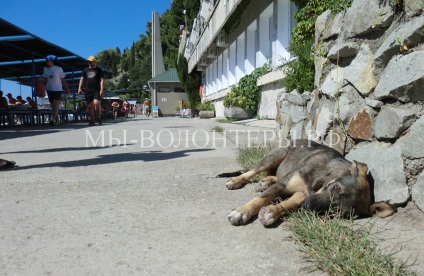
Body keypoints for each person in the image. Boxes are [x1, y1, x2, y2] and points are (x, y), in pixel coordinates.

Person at [38, 55, 70, 126]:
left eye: (47, 60)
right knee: (54, 106)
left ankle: (52, 119)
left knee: (55, 105)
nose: (46, 61)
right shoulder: (45, 69)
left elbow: (63, 79)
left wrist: (67, 89)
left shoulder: (59, 69)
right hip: (49, 89)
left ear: (52, 61)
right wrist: (41, 79)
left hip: (58, 89)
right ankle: (57, 121)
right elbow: (46, 78)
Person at [78, 56, 105, 126]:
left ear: (94, 61)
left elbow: (102, 80)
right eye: (88, 61)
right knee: (90, 106)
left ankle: (99, 117)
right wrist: (79, 88)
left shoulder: (99, 70)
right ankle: (92, 120)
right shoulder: (85, 70)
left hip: (96, 90)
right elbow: (82, 79)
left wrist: (102, 90)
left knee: (96, 103)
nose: (89, 63)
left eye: (91, 61)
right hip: (88, 90)